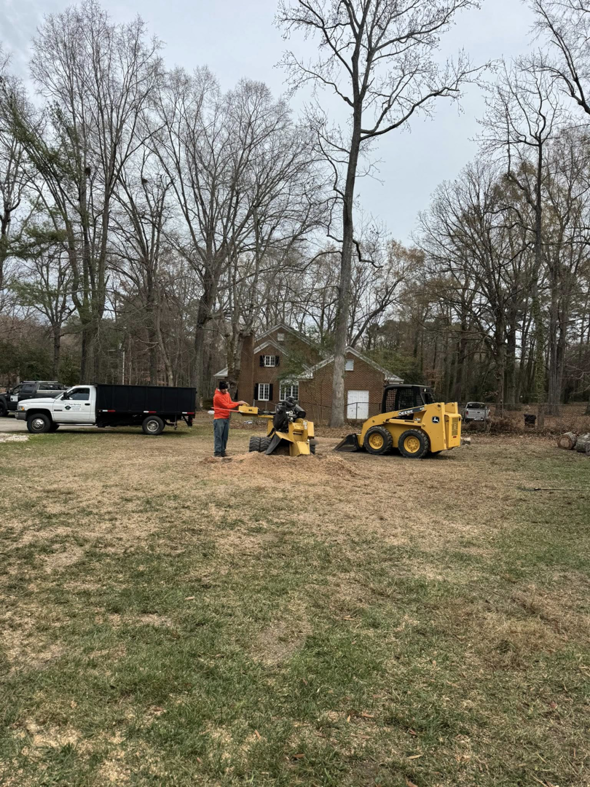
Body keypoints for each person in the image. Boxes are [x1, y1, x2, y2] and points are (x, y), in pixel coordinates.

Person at [212, 381, 248, 457]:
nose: (225, 391)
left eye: (226, 389)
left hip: (226, 417)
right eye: (223, 389)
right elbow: (227, 406)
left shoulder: (227, 394)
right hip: (219, 418)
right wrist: (238, 403)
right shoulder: (217, 397)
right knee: (219, 436)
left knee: (225, 436)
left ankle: (223, 451)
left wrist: (238, 404)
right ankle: (217, 452)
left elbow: (230, 403)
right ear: (220, 389)